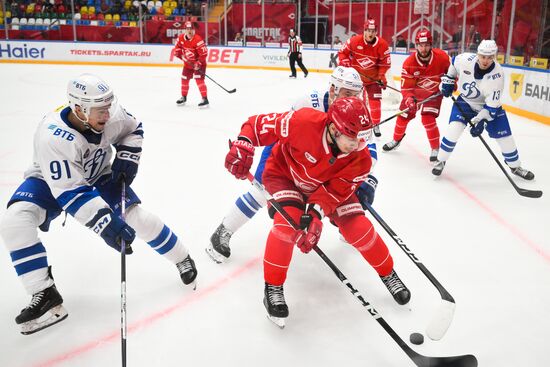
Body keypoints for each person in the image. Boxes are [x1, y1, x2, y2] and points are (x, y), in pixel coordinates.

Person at [0, 74, 198, 335]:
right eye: (99, 110)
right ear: (79, 109)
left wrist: (128, 155)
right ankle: (44, 293)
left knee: (136, 217)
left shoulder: (111, 114)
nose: (107, 115)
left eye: (108, 106)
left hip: (98, 174)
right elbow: (71, 191)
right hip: (50, 181)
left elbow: (133, 128)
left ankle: (182, 256)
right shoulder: (52, 136)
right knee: (16, 219)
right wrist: (105, 224)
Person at [223, 97, 411, 327]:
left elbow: (334, 192)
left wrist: (315, 216)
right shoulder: (302, 121)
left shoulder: (360, 159)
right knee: (286, 227)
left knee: (359, 228)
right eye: (352, 138)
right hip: (286, 177)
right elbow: (256, 125)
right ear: (333, 129)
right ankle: (273, 287)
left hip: (325, 187)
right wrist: (244, 144)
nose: (358, 145)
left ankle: (387, 273)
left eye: (362, 138)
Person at [207, 66, 378, 264]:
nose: (353, 100)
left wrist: (367, 180)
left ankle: (345, 228)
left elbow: (368, 152)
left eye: (357, 95)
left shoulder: (358, 113)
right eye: (348, 94)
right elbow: (279, 132)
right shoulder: (309, 102)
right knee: (261, 192)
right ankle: (225, 229)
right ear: (333, 90)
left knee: (343, 196)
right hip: (293, 161)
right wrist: (263, 168)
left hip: (331, 169)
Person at [433, 40, 535, 180]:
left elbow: (491, 107)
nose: (486, 60)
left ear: (494, 56)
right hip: (466, 103)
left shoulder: (497, 75)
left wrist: (481, 121)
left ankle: (515, 166)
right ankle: (441, 160)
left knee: (506, 139)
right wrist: (449, 80)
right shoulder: (464, 60)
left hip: (488, 107)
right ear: (477, 54)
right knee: (453, 130)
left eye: (490, 57)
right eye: (483, 56)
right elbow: (454, 63)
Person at [382, 30, 451, 162]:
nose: (423, 48)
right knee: (403, 115)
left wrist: (451, 85)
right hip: (415, 94)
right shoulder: (409, 63)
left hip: (434, 93)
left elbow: (453, 74)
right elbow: (406, 88)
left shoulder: (442, 57)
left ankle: (436, 149)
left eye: (426, 45)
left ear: (431, 44)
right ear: (416, 45)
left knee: (428, 118)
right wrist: (409, 99)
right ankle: (396, 140)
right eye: (420, 45)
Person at [338, 19, 391, 138]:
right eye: (368, 30)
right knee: (353, 102)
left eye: (372, 31)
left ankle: (376, 124)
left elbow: (385, 64)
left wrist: (381, 76)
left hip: (373, 79)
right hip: (355, 79)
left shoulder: (382, 45)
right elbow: (342, 52)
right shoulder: (354, 41)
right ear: (364, 31)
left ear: (376, 32)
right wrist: (344, 60)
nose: (370, 34)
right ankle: (353, 122)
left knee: (375, 103)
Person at [173, 21, 209, 107]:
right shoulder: (181, 38)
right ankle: (183, 97)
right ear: (185, 30)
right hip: (187, 64)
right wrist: (177, 53)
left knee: (199, 80)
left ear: (194, 30)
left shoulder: (198, 40)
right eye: (188, 29)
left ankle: (205, 99)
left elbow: (204, 54)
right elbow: (177, 48)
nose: (190, 31)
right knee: (184, 79)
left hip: (199, 64)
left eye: (191, 29)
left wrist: (198, 63)